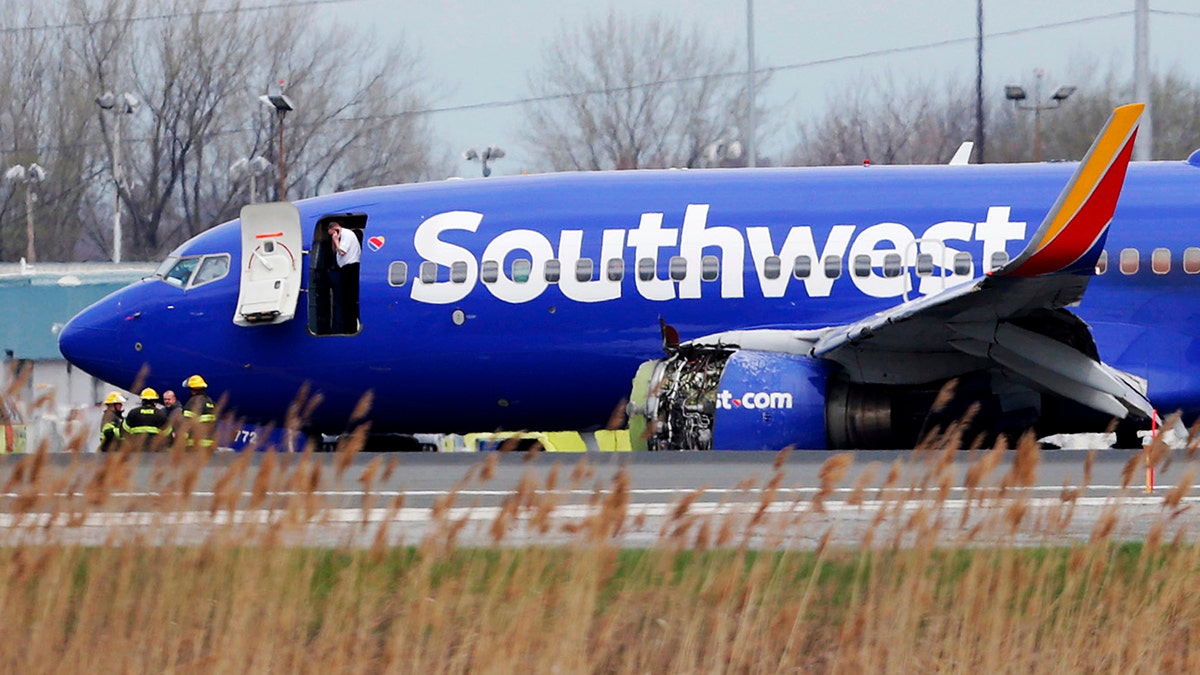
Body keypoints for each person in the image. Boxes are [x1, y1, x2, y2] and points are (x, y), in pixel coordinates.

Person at [327, 220, 361, 334]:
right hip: (346, 268)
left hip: (350, 267)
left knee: (349, 299)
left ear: (336, 229)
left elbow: (342, 251)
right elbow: (335, 252)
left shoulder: (346, 234)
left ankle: (350, 327)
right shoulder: (344, 235)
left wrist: (336, 240)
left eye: (332, 233)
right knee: (346, 299)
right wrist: (334, 241)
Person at [181, 374, 217, 449]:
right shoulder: (210, 402)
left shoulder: (192, 402)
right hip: (208, 445)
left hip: (195, 445)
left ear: (192, 389)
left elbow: (186, 423)